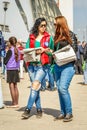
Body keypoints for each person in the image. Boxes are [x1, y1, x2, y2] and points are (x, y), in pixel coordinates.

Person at [22, 17, 54, 119]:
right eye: (42, 26)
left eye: (45, 25)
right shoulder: (31, 37)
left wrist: (45, 50)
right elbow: (26, 50)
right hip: (31, 66)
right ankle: (39, 109)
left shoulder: (49, 38)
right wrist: (36, 51)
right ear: (37, 26)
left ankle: (28, 109)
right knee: (35, 88)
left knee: (35, 86)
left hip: (42, 66)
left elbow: (52, 51)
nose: (44, 27)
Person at [53, 16, 75, 122]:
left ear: (60, 24)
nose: (53, 26)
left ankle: (69, 113)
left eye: (55, 24)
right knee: (59, 91)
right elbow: (54, 52)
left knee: (62, 88)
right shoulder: (56, 37)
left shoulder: (70, 35)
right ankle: (63, 112)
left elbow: (74, 51)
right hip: (58, 66)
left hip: (68, 66)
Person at [4, 37, 20, 108]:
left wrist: (6, 52)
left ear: (10, 43)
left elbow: (5, 61)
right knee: (15, 86)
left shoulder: (10, 50)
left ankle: (14, 103)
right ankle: (16, 102)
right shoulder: (18, 50)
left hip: (10, 69)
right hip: (16, 69)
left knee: (11, 86)